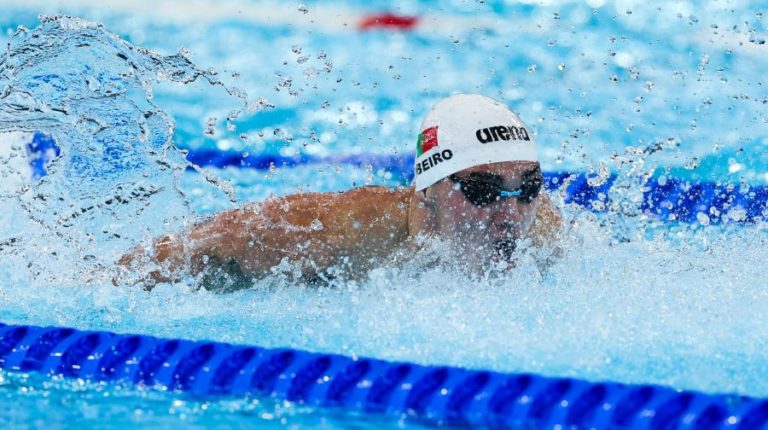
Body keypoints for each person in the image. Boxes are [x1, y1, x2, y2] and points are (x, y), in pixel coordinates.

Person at [117, 93, 562, 290]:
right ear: (427, 189)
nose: (509, 213)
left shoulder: (543, 230)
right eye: (483, 191)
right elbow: (205, 245)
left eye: (528, 188)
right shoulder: (344, 232)